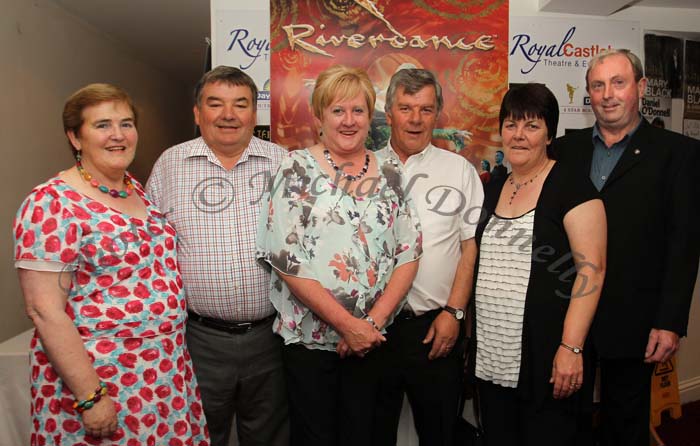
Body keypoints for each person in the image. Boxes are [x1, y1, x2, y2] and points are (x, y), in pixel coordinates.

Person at [13, 83, 209, 445]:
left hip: (163, 376)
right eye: (102, 125)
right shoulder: (52, 203)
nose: (117, 135)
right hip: (103, 382)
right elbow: (44, 310)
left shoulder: (135, 190)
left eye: (126, 123)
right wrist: (91, 396)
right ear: (75, 137)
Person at [256, 64, 422, 446]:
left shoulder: (392, 170)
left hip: (375, 342)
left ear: (370, 116)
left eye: (358, 110)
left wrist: (371, 324)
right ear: (319, 116)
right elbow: (286, 257)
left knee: (371, 435)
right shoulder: (294, 167)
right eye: (337, 111)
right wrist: (347, 325)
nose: (349, 121)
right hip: (312, 345)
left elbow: (409, 251)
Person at [555, 49, 700, 446]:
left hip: (637, 318)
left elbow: (684, 242)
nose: (608, 94)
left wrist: (670, 321)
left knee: (626, 422)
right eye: (598, 85)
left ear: (640, 87)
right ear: (588, 93)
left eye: (618, 83)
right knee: (566, 419)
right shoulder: (566, 151)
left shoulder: (678, 154)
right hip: (569, 312)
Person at [146, 67, 288, 446]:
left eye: (240, 104)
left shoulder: (283, 163)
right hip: (198, 341)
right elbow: (149, 250)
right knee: (201, 436)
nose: (229, 114)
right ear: (197, 113)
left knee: (270, 436)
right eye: (216, 104)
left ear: (253, 114)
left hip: (271, 338)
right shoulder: (170, 165)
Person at [472, 83, 607, 445]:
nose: (519, 135)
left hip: (547, 360)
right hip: (493, 358)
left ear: (550, 133)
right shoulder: (495, 186)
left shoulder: (571, 187)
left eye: (531, 126)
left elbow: (591, 273)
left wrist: (571, 348)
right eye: (511, 124)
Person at [373, 68, 483, 446]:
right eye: (405, 108)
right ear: (388, 114)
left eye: (425, 109)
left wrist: (454, 313)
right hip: (373, 331)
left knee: (440, 435)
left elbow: (471, 248)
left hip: (435, 330)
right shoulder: (363, 168)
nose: (415, 119)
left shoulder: (460, 171)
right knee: (371, 434)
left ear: (438, 114)